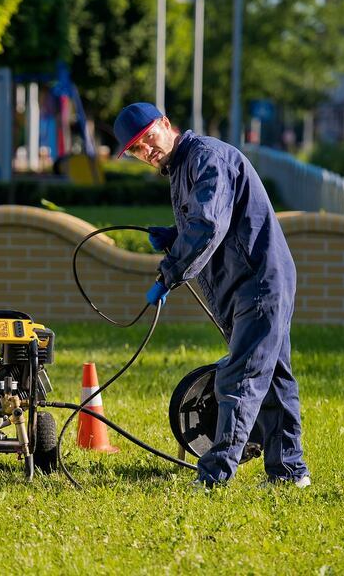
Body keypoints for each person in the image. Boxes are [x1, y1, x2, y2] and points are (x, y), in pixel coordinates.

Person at [113, 102, 310, 489]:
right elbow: (210, 220)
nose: (146, 151)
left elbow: (206, 226)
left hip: (258, 282)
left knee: (240, 378)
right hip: (251, 281)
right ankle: (290, 473)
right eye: (136, 149)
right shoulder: (182, 167)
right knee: (272, 379)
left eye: (148, 139)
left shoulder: (206, 158)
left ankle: (214, 476)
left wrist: (169, 273)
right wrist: (173, 236)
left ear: (166, 124)